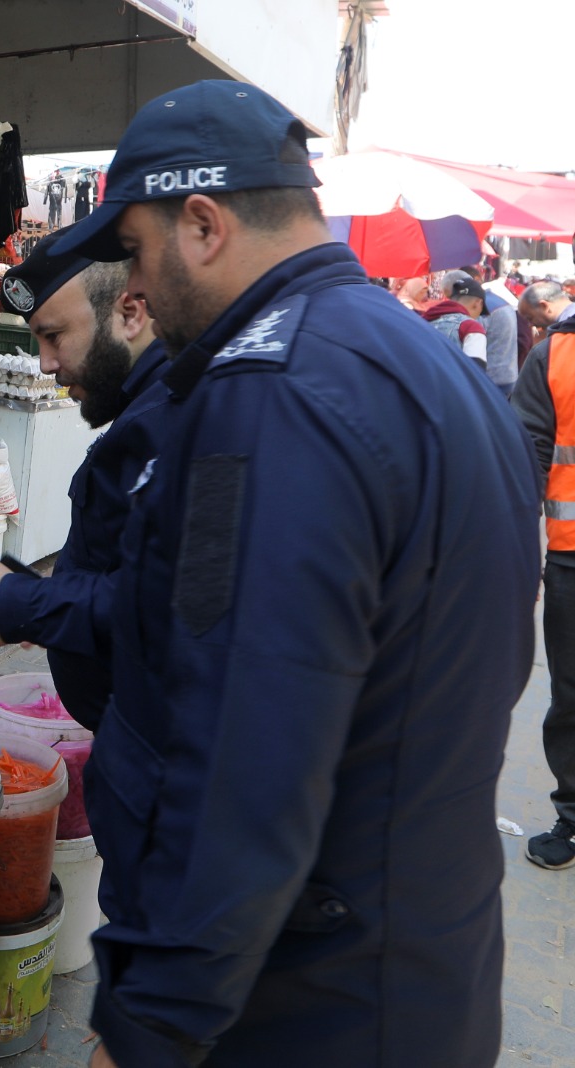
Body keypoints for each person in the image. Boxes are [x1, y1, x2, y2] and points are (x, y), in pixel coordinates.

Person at [48, 79, 540, 1068]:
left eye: (137, 254)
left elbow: (245, 756)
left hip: (311, 998)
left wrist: (148, 1025)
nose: (133, 292)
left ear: (201, 224)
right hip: (418, 957)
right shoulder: (418, 361)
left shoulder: (271, 399)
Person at [0, 223, 169, 730]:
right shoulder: (145, 410)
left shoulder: (171, 419)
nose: (47, 364)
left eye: (54, 336)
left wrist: (30, 605)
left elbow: (169, 607)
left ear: (130, 312)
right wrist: (47, 592)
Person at [508, 287, 575, 870]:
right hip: (572, 556)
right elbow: (527, 452)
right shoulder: (553, 353)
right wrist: (515, 553)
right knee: (572, 695)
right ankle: (574, 818)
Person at [447, 268, 518, 396]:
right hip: (506, 375)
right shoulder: (497, 301)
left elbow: (468, 344)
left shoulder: (480, 308)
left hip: (491, 379)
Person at [421, 273, 489, 370]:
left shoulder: (423, 320)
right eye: (481, 311)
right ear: (478, 303)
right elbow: (475, 373)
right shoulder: (471, 327)